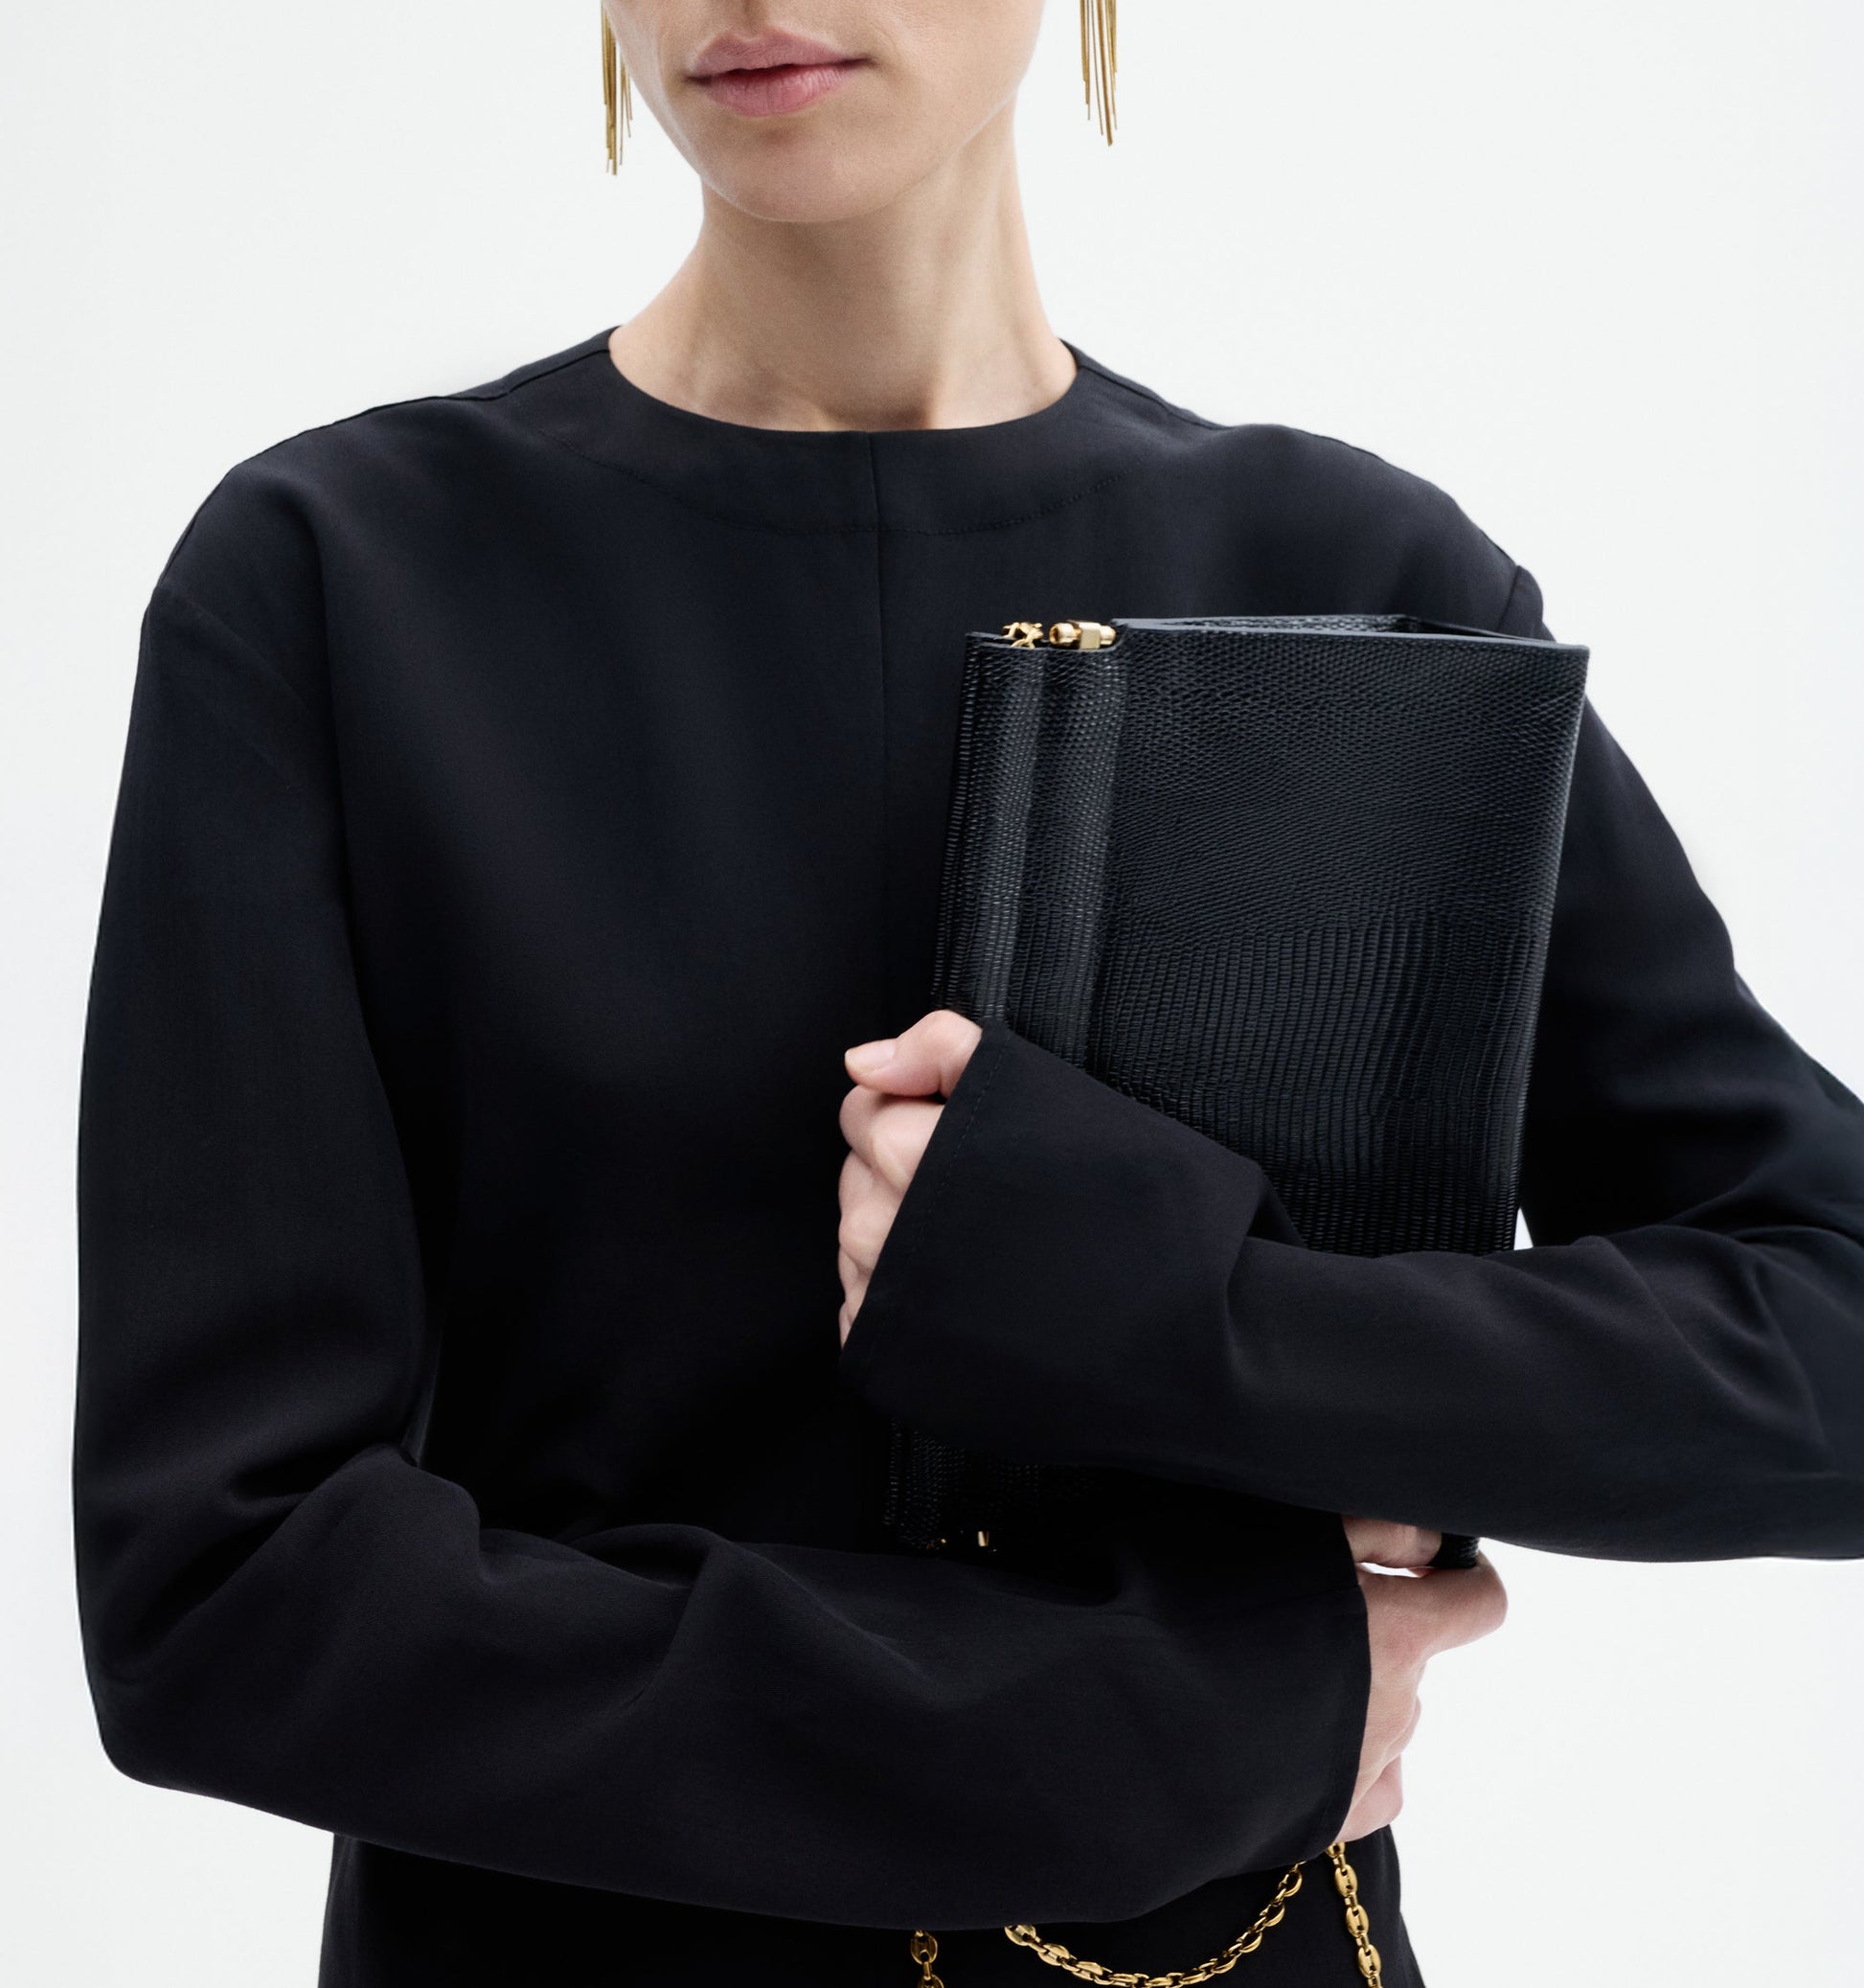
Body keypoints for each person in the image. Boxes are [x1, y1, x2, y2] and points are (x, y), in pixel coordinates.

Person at [72, 4, 1864, 1985]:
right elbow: (220, 1590)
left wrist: (1181, 1312)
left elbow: (1828, 1337)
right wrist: (1170, 1719)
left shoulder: (1357, 582)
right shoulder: (342, 583)